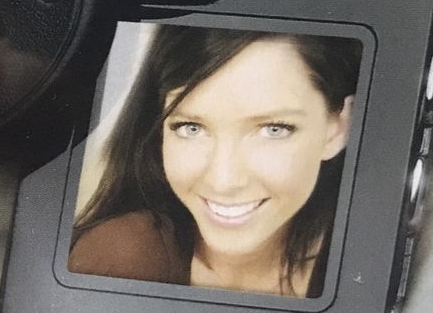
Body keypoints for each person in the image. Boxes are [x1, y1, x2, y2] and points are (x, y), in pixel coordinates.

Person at [69, 27, 360, 298]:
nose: (224, 181)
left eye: (274, 129)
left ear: (338, 128)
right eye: (191, 128)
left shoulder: (367, 270)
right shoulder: (121, 255)